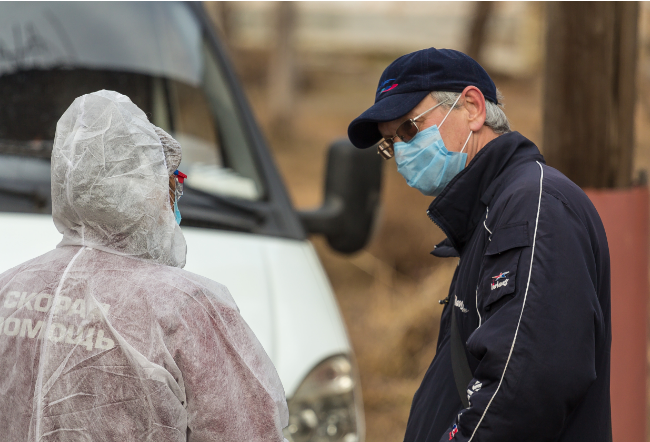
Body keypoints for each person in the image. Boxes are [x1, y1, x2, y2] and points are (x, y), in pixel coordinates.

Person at [348, 48, 611, 442]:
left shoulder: (534, 207)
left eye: (408, 130)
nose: (401, 152)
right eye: (390, 144)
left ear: (472, 107)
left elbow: (523, 385)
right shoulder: (492, 213)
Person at [0, 90, 288, 441]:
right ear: (143, 187)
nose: (173, 198)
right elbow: (247, 430)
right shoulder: (186, 306)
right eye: (171, 183)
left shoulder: (8, 290)